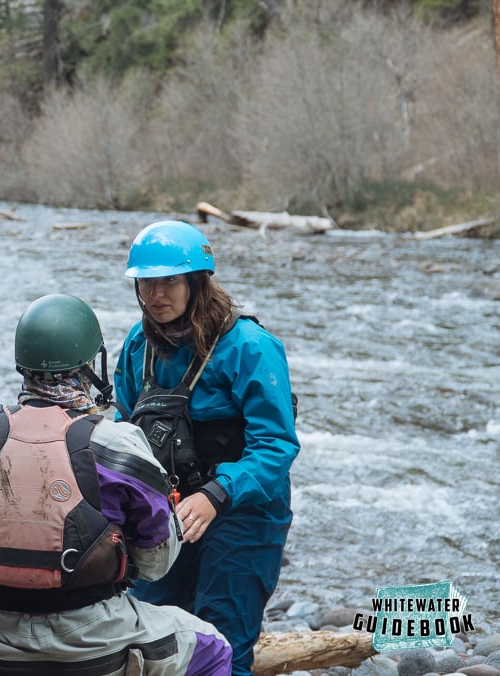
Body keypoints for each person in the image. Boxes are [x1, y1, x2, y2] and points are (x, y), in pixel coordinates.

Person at [0, 294, 233, 675]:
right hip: (94, 649)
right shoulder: (121, 448)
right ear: (91, 364)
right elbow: (156, 564)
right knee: (214, 646)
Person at [114, 221, 300, 676]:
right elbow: (122, 432)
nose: (156, 294)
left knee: (223, 642)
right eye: (147, 282)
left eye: (170, 281)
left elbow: (276, 444)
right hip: (168, 509)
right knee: (146, 634)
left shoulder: (250, 348)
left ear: (198, 282)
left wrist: (217, 495)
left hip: (242, 516)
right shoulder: (138, 347)